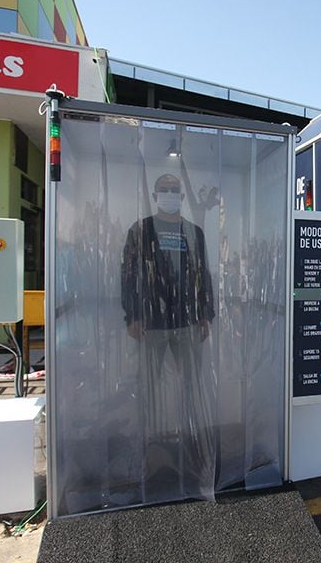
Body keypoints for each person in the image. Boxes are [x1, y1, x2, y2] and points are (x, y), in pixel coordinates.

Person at [120, 172, 216, 499]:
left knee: (192, 386)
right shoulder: (142, 229)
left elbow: (204, 274)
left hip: (188, 322)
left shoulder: (193, 232)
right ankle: (146, 449)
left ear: (182, 196)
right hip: (153, 323)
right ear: (155, 193)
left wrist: (207, 314)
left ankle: (194, 447)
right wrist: (131, 315)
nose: (171, 193)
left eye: (176, 189)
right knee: (148, 388)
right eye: (165, 189)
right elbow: (129, 273)